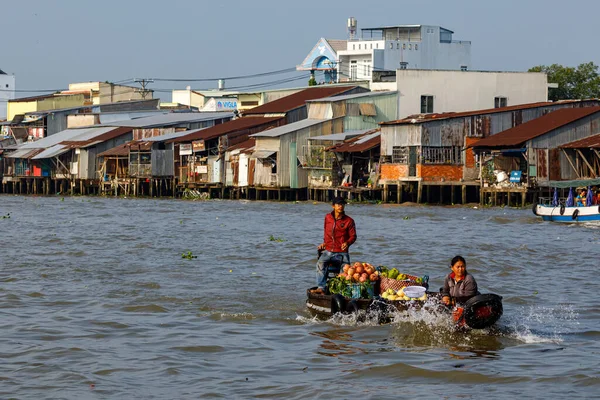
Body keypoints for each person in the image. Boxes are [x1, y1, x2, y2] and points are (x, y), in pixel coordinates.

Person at [311, 197, 357, 295]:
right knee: (320, 264)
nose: (341, 206)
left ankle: (340, 292)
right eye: (338, 204)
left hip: (342, 253)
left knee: (344, 272)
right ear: (333, 206)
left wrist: (347, 243)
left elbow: (353, 236)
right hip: (328, 251)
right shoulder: (328, 217)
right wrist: (325, 243)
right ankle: (321, 288)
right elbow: (326, 232)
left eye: (342, 204)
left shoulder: (349, 221)